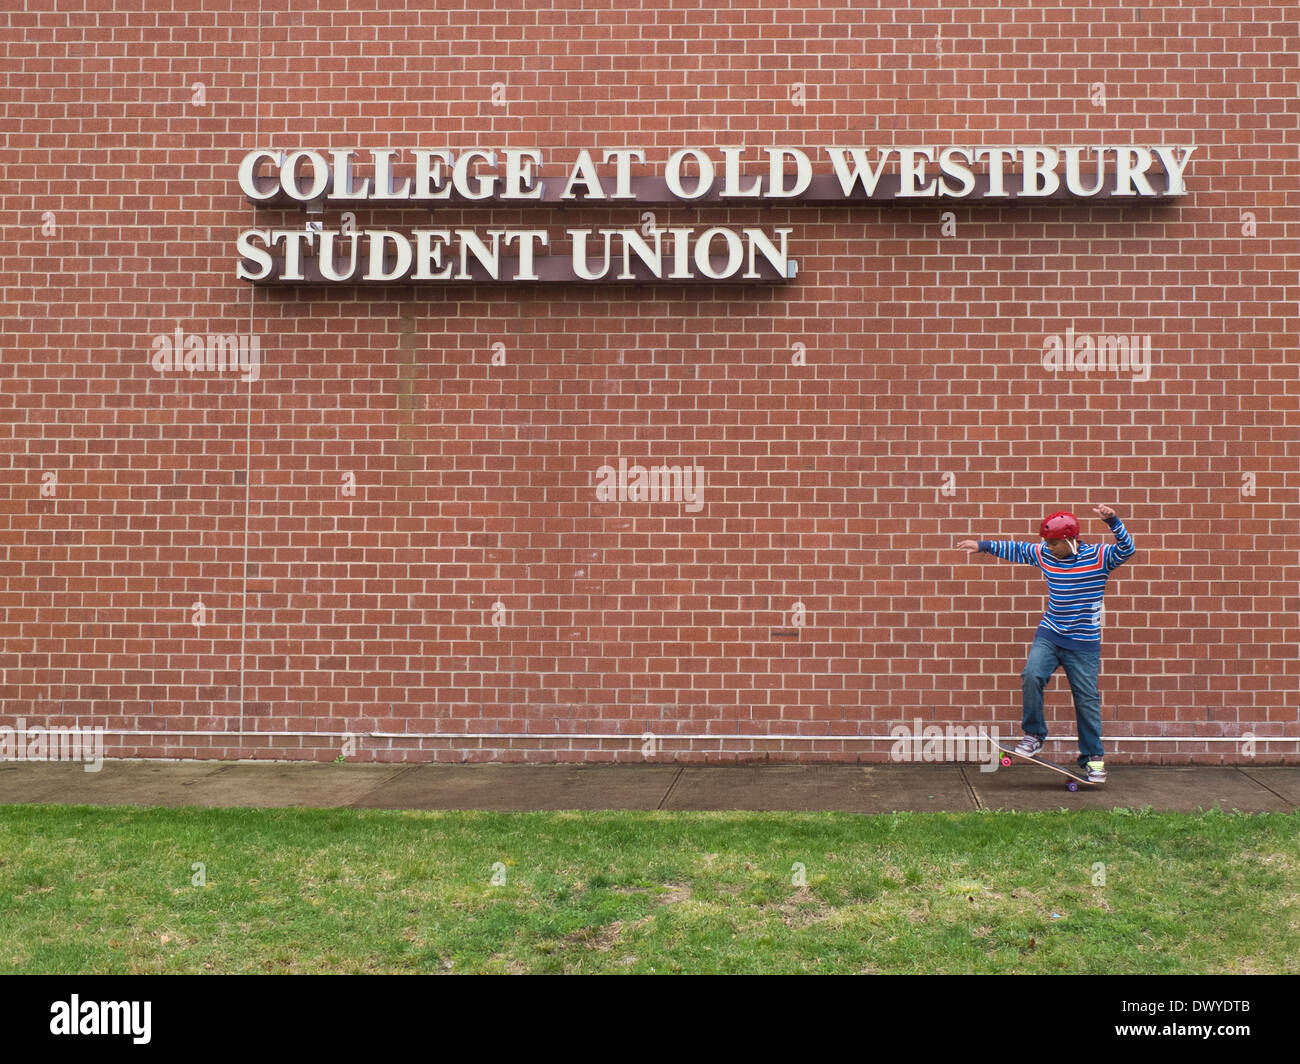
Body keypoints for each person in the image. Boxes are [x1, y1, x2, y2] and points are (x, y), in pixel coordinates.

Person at [956, 506, 1135, 783]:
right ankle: (1034, 735)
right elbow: (1017, 550)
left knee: (1087, 701)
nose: (1048, 548)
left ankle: (1093, 760)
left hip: (1084, 642)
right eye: (1047, 543)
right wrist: (983, 545)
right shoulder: (1045, 553)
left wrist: (1112, 521)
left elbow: (1127, 549)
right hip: (1050, 634)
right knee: (1031, 674)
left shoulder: (1100, 557)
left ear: (1071, 540)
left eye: (1054, 543)